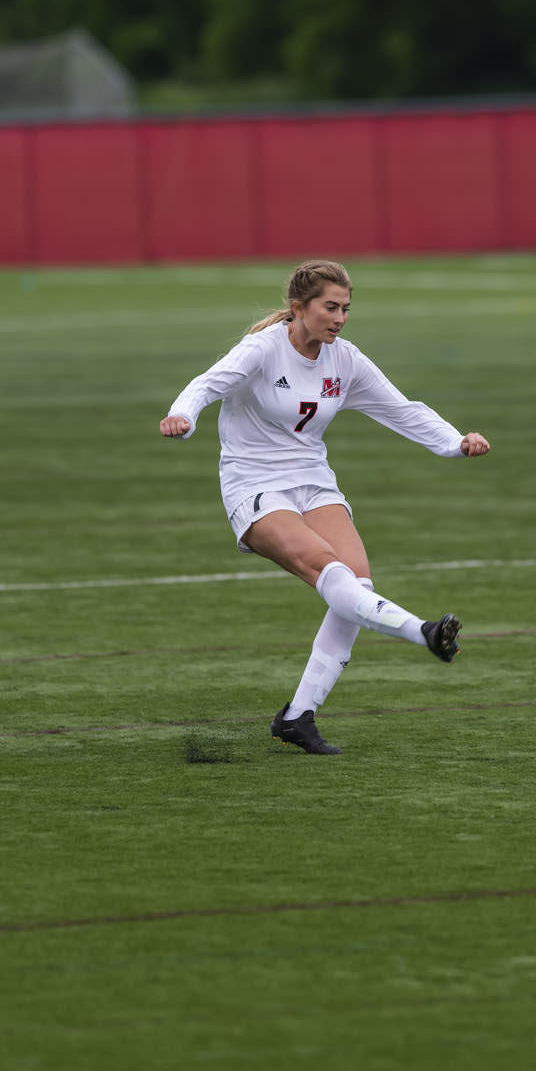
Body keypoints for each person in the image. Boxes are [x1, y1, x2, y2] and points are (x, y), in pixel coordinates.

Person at [159, 260, 491, 755]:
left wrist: (454, 441)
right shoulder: (262, 350)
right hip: (254, 485)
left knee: (356, 587)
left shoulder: (345, 360)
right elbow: (207, 384)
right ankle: (423, 633)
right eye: (330, 307)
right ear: (299, 309)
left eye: (346, 309)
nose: (340, 318)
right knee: (331, 574)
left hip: (315, 484)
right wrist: (182, 414)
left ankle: (298, 716)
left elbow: (402, 409)